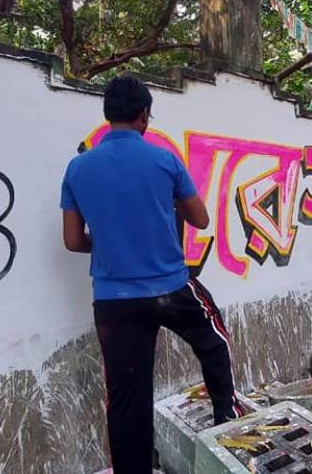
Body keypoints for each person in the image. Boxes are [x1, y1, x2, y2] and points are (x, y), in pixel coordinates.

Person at [61, 75, 244, 473]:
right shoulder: (165, 160)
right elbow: (201, 219)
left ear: (108, 115)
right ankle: (227, 421)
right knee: (214, 341)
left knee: (127, 399)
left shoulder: (77, 169)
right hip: (171, 289)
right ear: (144, 115)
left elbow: (73, 241)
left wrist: (109, 241)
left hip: (113, 302)